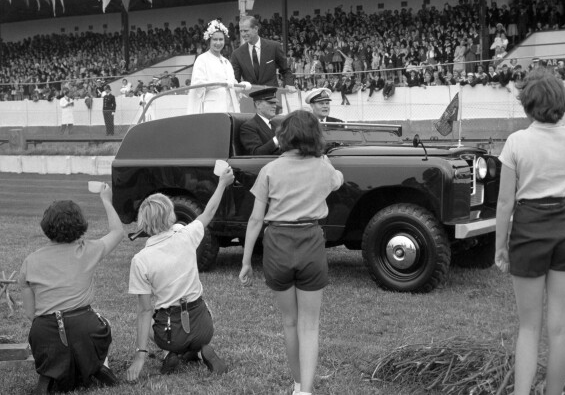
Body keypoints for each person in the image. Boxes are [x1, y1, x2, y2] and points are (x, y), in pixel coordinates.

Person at [239, 110, 344, 395]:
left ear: (284, 136)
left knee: (289, 322)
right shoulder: (323, 167)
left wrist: (246, 261)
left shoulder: (270, 170)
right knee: (310, 325)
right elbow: (338, 180)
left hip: (277, 245)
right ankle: (305, 391)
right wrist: (327, 163)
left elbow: (255, 220)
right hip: (311, 241)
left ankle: (297, 382)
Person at [495, 69, 565, 395]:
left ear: (527, 106)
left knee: (529, 328)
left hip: (529, 231)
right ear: (561, 101)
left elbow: (505, 204)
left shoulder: (517, 142)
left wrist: (500, 248)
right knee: (560, 330)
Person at [126, 166, 235, 381]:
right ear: (171, 214)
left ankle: (170, 352)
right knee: (202, 305)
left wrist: (140, 355)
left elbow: (145, 310)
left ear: (144, 223)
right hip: (203, 326)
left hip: (170, 331)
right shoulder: (186, 235)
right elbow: (208, 212)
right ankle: (201, 349)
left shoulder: (141, 260)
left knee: (146, 318)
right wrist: (222, 183)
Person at [18, 183, 124, 394]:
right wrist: (106, 199)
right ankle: (99, 366)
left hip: (44, 333)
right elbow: (118, 231)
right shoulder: (89, 250)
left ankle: (49, 373)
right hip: (85, 327)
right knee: (103, 322)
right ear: (80, 225)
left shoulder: (30, 261)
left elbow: (31, 314)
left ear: (46, 226)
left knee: (49, 333)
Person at [186, 20, 249, 114]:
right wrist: (222, 83)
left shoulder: (227, 62)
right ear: (209, 41)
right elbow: (198, 84)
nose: (218, 43)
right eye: (215, 39)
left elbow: (231, 83)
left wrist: (240, 86)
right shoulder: (202, 59)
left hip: (230, 108)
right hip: (212, 108)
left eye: (221, 39)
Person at [230, 16, 294, 89]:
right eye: (241, 31)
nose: (243, 34)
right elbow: (235, 80)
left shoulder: (274, 47)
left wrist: (289, 84)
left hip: (272, 96)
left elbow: (285, 70)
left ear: (256, 29)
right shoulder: (236, 54)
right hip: (250, 97)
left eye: (246, 31)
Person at [239, 87, 281, 155]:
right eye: (270, 103)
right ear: (258, 104)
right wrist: (278, 139)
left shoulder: (276, 125)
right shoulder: (248, 127)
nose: (275, 106)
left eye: (275, 103)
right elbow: (256, 153)